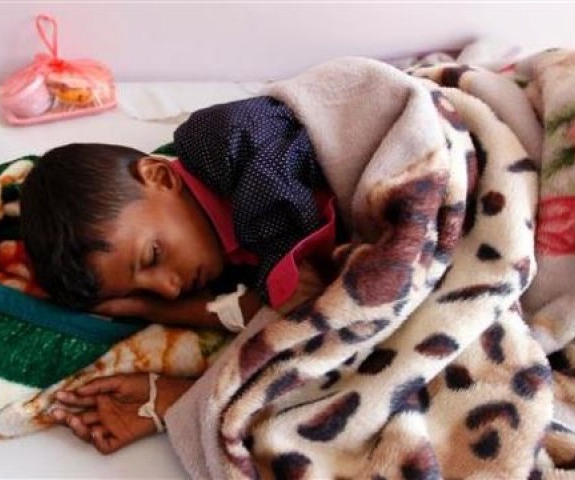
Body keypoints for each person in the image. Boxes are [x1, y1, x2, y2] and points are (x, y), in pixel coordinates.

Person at [20, 96, 340, 453]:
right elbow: (275, 317)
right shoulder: (222, 259)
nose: (170, 289)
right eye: (147, 291)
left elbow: (302, 308)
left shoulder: (217, 142)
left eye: (152, 255)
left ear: (158, 175)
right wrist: (152, 311)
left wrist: (287, 281)